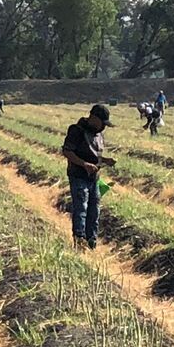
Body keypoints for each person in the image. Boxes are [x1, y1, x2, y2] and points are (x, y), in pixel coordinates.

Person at [61, 104, 116, 250]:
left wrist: (105, 160)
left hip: (94, 178)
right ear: (93, 118)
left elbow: (94, 155)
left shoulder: (98, 134)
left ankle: (91, 241)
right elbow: (67, 151)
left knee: (94, 210)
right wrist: (84, 164)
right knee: (81, 209)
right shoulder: (76, 131)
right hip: (79, 176)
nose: (103, 127)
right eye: (102, 123)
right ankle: (79, 241)